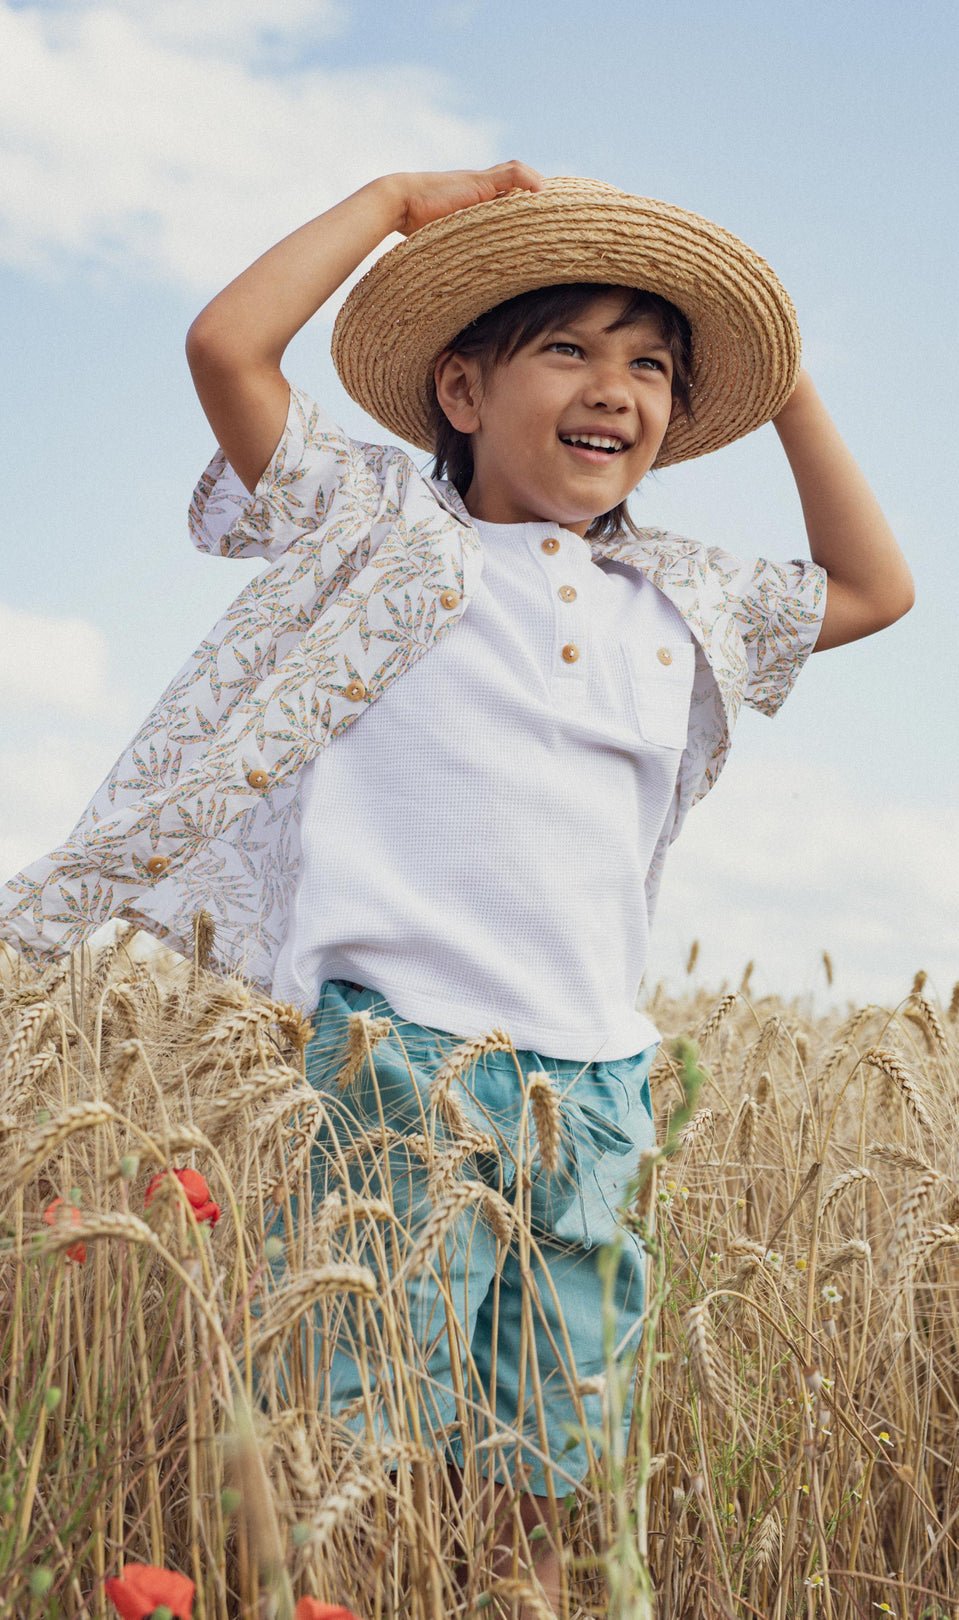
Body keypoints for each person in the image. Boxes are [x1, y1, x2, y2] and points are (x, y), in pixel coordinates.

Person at [0, 162, 913, 1610]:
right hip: (398, 1069)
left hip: (599, 1090)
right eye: (569, 348)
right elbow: (227, 350)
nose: (617, 386)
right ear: (463, 390)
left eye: (655, 367)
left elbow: (874, 588)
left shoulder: (676, 601)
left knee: (550, 1467)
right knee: (343, 1447)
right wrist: (386, 204)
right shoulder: (387, 536)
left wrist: (781, 377)